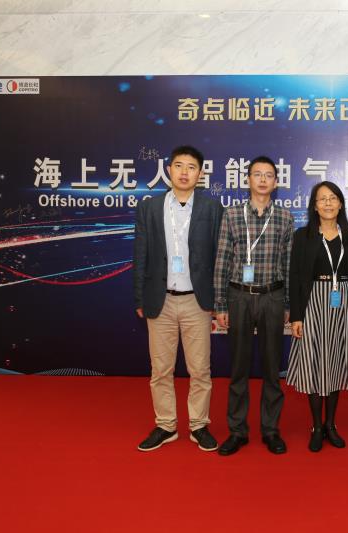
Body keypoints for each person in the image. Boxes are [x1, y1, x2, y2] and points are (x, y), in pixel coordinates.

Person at [133, 145, 223, 452]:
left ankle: (199, 425)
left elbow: (220, 256)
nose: (185, 172)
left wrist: (219, 299)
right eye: (179, 166)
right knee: (161, 370)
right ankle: (166, 425)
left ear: (200, 174)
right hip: (161, 299)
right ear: (169, 170)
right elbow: (141, 254)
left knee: (200, 369)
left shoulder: (212, 208)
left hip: (197, 301)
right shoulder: (150, 208)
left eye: (192, 167)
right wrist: (139, 298)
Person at [214, 155, 294, 455]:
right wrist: (220, 304)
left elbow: (288, 264)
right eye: (257, 174)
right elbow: (223, 259)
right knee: (238, 368)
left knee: (272, 368)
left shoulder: (285, 217)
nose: (262, 180)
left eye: (268, 175)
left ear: (276, 182)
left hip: (273, 297)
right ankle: (238, 430)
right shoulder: (232, 214)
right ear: (247, 180)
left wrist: (288, 303)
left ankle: (271, 430)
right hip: (239, 296)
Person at [287, 181, 348, 452]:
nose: (328, 203)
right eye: (322, 199)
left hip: (343, 303)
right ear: (314, 206)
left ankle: (331, 424)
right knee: (314, 363)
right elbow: (295, 277)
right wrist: (296, 316)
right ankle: (316, 426)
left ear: (341, 203)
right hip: (313, 303)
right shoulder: (303, 236)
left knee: (335, 363)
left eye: (333, 198)